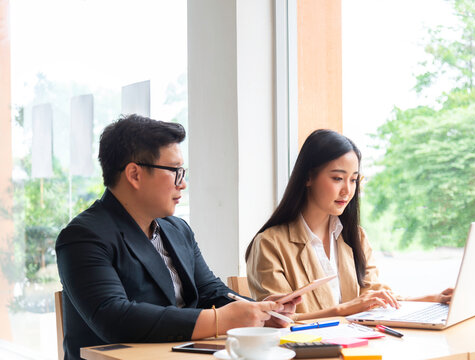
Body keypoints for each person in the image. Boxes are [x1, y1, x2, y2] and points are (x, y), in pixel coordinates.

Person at [56, 114, 299, 359]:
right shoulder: (82, 237)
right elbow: (115, 318)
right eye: (175, 171)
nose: (182, 184)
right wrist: (219, 319)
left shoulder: (177, 229)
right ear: (134, 174)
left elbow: (211, 292)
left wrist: (260, 312)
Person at [245, 129, 452, 321]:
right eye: (337, 178)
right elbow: (277, 320)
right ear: (308, 177)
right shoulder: (269, 244)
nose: (347, 190)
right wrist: (345, 310)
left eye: (353, 180)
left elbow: (375, 298)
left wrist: (432, 298)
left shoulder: (355, 237)